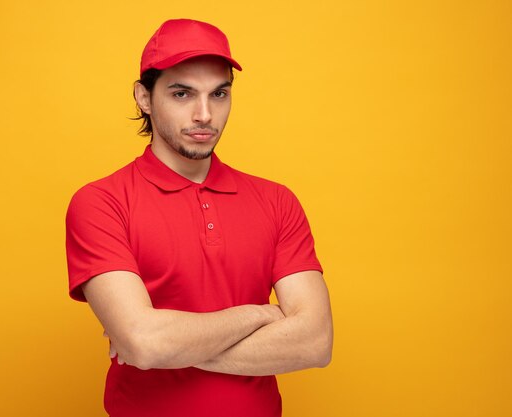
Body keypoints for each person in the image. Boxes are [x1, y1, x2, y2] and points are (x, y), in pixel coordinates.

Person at [65, 18, 333, 417]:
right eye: (182, 93)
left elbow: (314, 343)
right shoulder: (101, 203)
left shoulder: (277, 201)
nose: (205, 114)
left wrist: (165, 345)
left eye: (219, 93)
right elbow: (144, 344)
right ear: (143, 96)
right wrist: (259, 315)